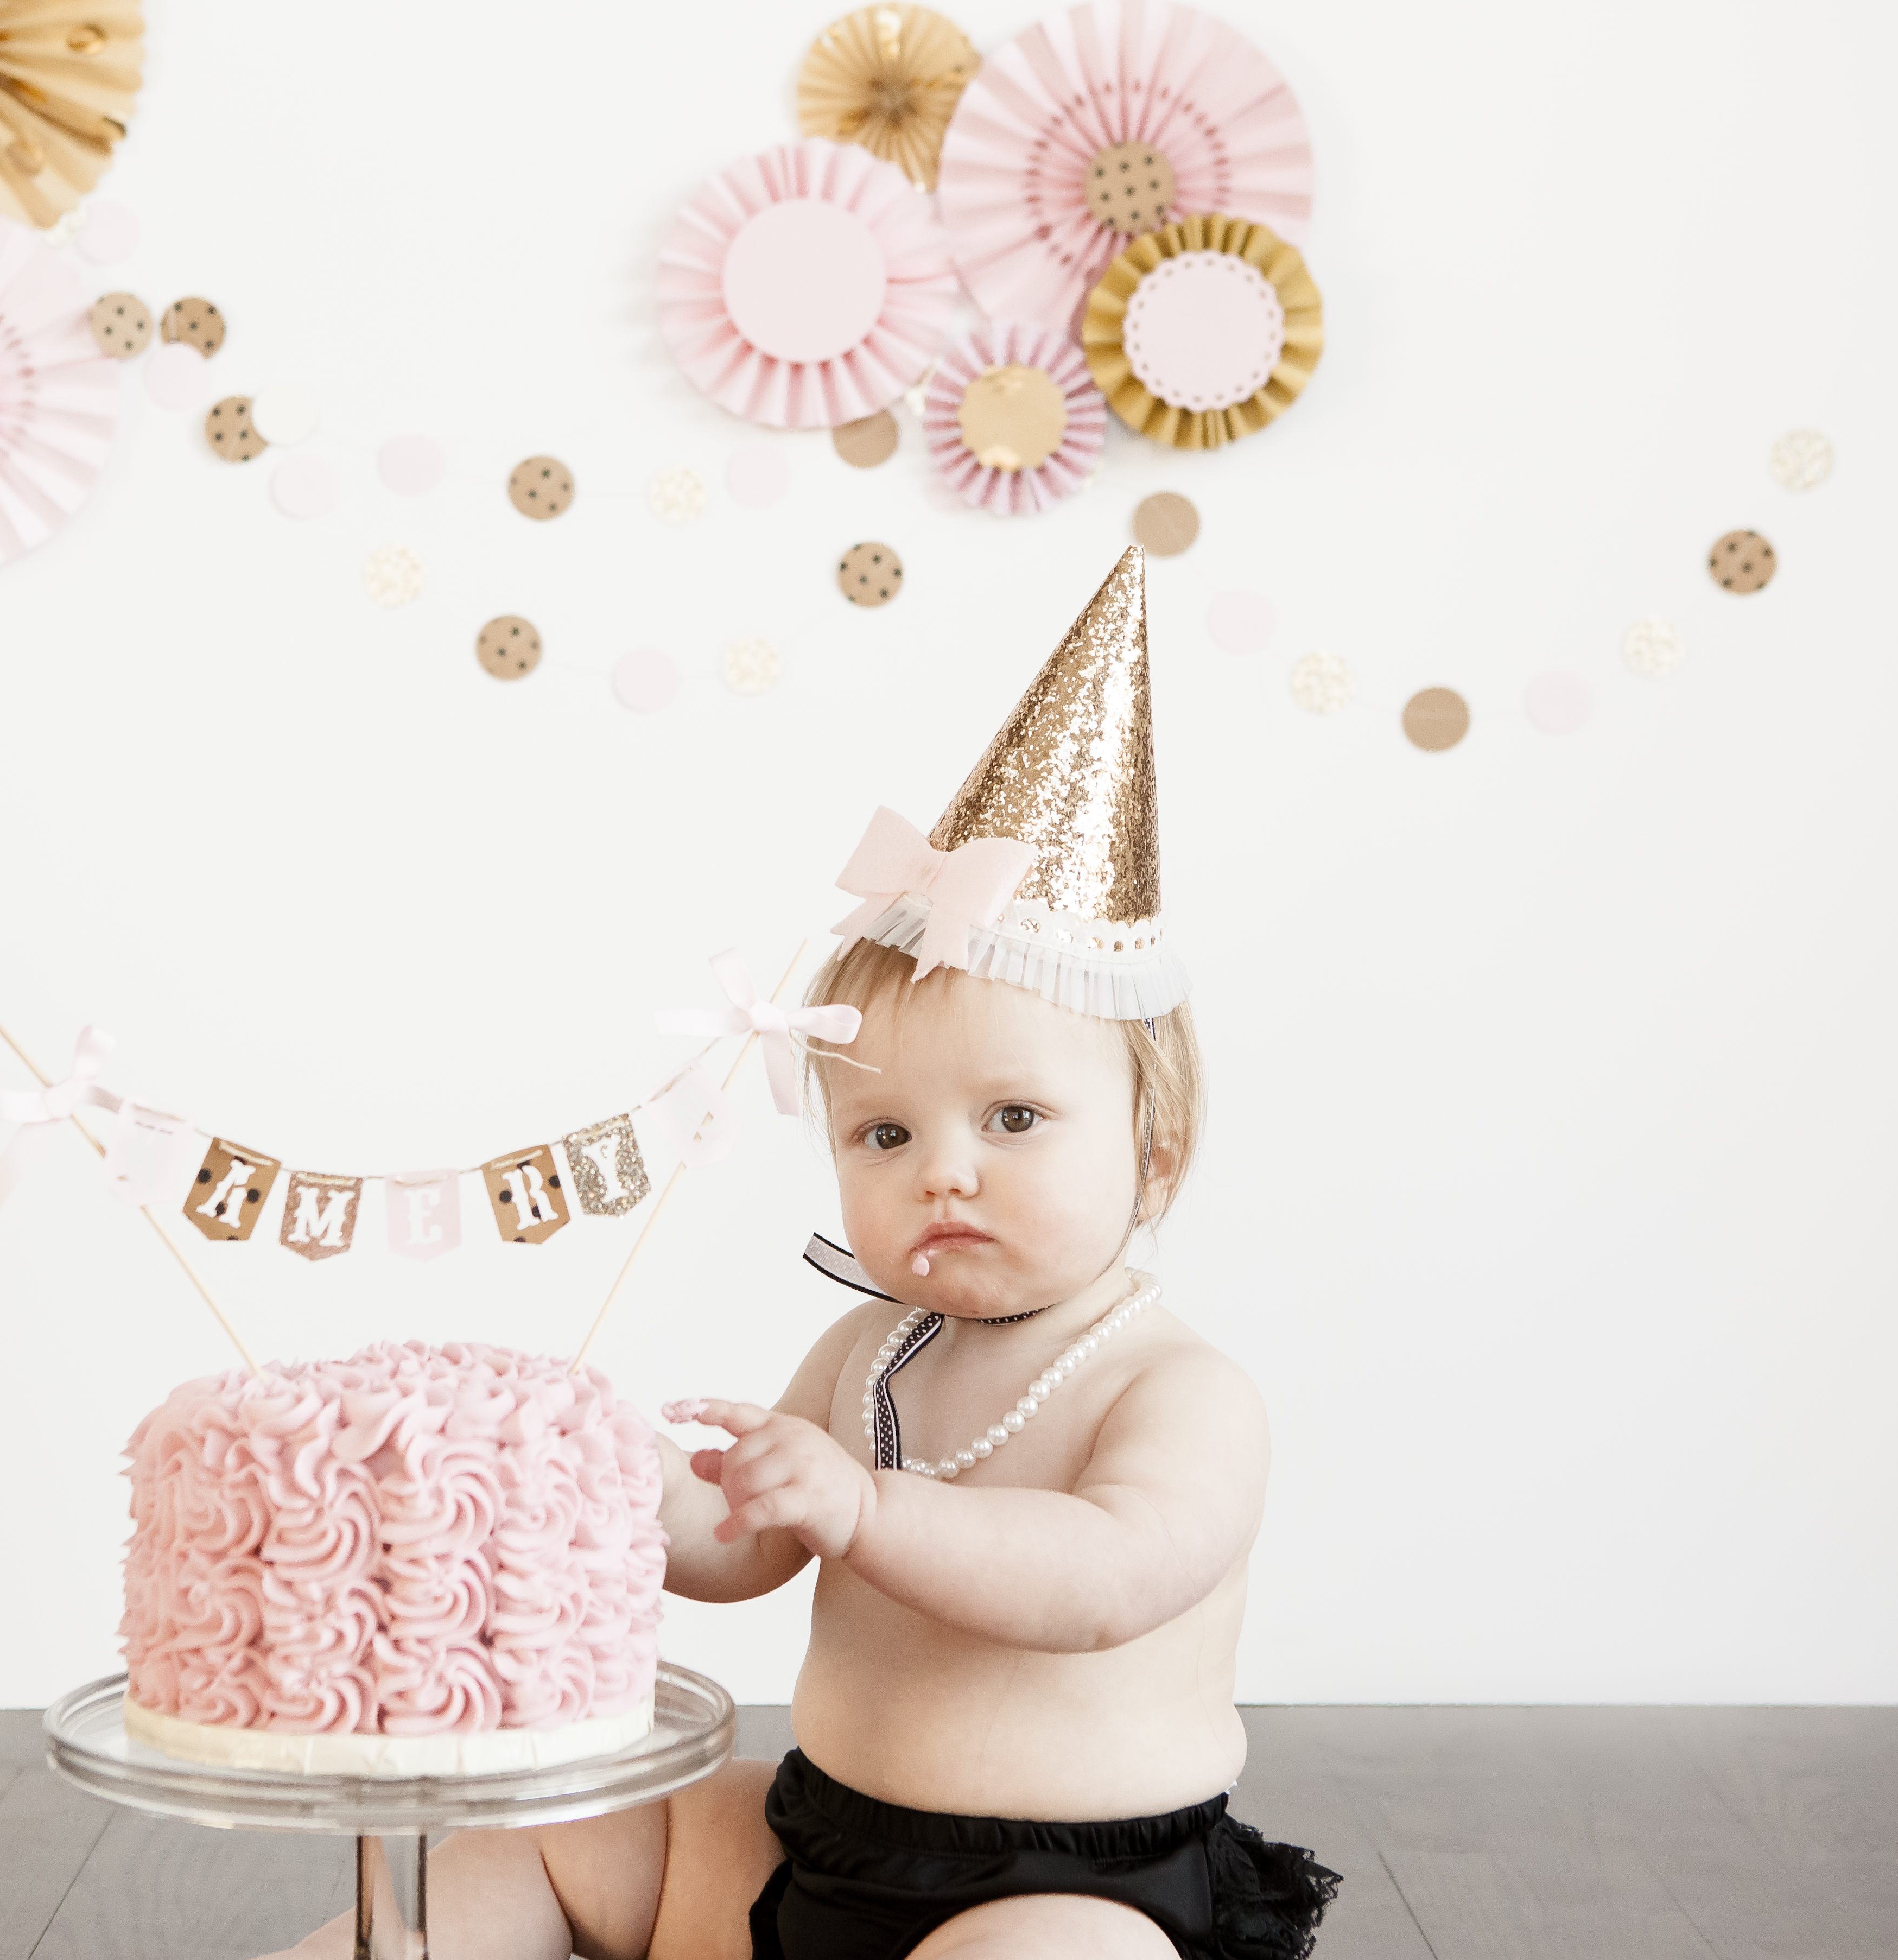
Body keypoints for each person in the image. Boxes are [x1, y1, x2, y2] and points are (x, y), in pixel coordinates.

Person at [263, 549, 1335, 1960]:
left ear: (1154, 1155)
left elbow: (1102, 1579)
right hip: (817, 1838)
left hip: (1066, 1886)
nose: (941, 1165)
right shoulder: (869, 1347)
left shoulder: (1175, 1390)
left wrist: (864, 1510)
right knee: (569, 1823)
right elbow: (741, 1543)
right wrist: (603, 1471)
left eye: (1012, 1116)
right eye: (882, 1131)